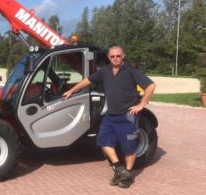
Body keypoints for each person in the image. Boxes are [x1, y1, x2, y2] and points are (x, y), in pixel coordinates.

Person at [63, 45, 156, 189]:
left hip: (128, 115)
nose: (115, 58)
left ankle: (128, 175)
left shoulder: (132, 71)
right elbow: (87, 80)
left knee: (129, 148)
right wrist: (71, 90)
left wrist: (141, 104)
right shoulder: (105, 71)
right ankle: (120, 170)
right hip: (111, 115)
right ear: (109, 57)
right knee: (103, 141)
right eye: (112, 56)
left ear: (123, 56)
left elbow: (150, 86)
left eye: (118, 56)